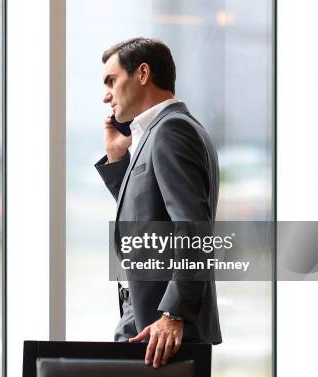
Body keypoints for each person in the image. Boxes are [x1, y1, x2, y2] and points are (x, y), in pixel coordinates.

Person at [94, 37, 222, 368]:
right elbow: (149, 216)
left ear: (143, 73)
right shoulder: (159, 133)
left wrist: (174, 313)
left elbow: (193, 229)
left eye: (112, 80)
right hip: (146, 321)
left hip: (163, 330)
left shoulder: (172, 130)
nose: (105, 94)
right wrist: (118, 158)